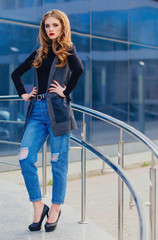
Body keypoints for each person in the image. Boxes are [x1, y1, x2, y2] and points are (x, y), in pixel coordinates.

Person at [11, 9, 84, 232]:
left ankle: (55, 208)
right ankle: (38, 205)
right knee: (25, 157)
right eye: (47, 26)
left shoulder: (67, 49)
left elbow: (79, 69)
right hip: (36, 111)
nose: (51, 29)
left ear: (62, 27)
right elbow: (16, 74)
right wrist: (23, 93)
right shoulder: (39, 53)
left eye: (55, 25)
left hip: (59, 113)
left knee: (57, 163)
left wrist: (66, 91)